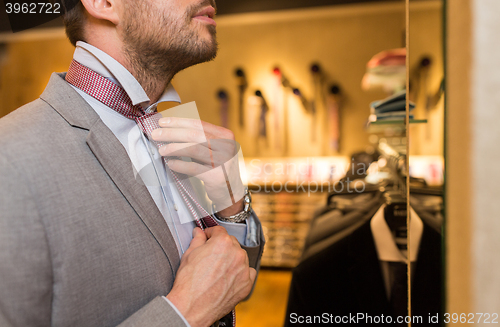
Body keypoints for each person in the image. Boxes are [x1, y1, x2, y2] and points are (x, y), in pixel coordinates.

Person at [0, 0, 264, 326]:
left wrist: (231, 204)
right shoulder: (10, 161)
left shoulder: (177, 133)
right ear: (103, 3)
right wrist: (183, 315)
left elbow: (230, 282)